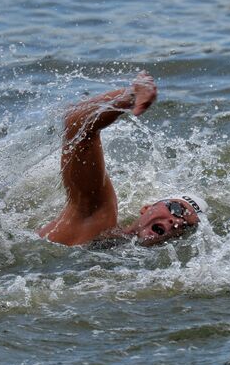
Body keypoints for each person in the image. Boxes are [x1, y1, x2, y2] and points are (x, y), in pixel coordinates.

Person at [38, 72, 208, 247]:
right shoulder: (97, 219)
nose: (176, 221)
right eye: (176, 209)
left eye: (186, 226)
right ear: (146, 208)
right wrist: (130, 96)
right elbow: (78, 125)